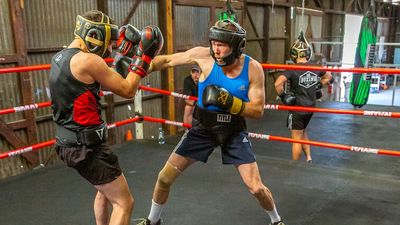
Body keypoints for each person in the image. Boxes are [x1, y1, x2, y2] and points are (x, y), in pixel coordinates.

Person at [137, 19, 285, 225]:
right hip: (202, 128)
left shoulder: (253, 68)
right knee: (164, 178)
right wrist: (139, 68)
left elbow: (258, 110)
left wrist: (230, 102)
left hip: (233, 131)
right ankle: (152, 221)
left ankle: (276, 220)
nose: (216, 49)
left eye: (222, 45)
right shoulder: (203, 56)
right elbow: (167, 61)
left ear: (236, 46)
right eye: (214, 43)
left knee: (256, 187)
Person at [49, 10, 163, 225]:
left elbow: (101, 79)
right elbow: (128, 90)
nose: (110, 48)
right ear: (94, 34)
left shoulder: (60, 57)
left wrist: (120, 59)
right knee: (124, 203)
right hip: (86, 147)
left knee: (103, 192)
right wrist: (144, 56)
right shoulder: (89, 60)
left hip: (69, 142)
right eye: (110, 42)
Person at [274, 37, 332, 163]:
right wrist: (319, 85)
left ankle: (295, 167)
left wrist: (284, 96)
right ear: (308, 53)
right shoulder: (316, 67)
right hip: (311, 108)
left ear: (293, 54)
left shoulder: (292, 69)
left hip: (298, 109)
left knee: (295, 137)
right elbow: (328, 76)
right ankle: (309, 158)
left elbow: (278, 84)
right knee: (302, 132)